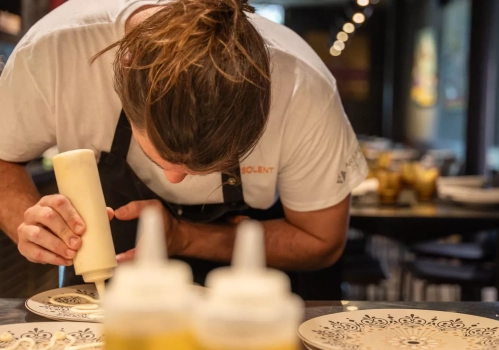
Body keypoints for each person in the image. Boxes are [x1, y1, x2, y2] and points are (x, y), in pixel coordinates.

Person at [0, 0, 368, 296]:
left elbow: (323, 241)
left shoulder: (303, 88)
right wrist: (31, 226)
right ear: (124, 73)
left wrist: (183, 235)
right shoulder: (56, 51)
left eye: (202, 169)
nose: (174, 181)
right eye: (160, 157)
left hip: (249, 280)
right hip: (113, 256)